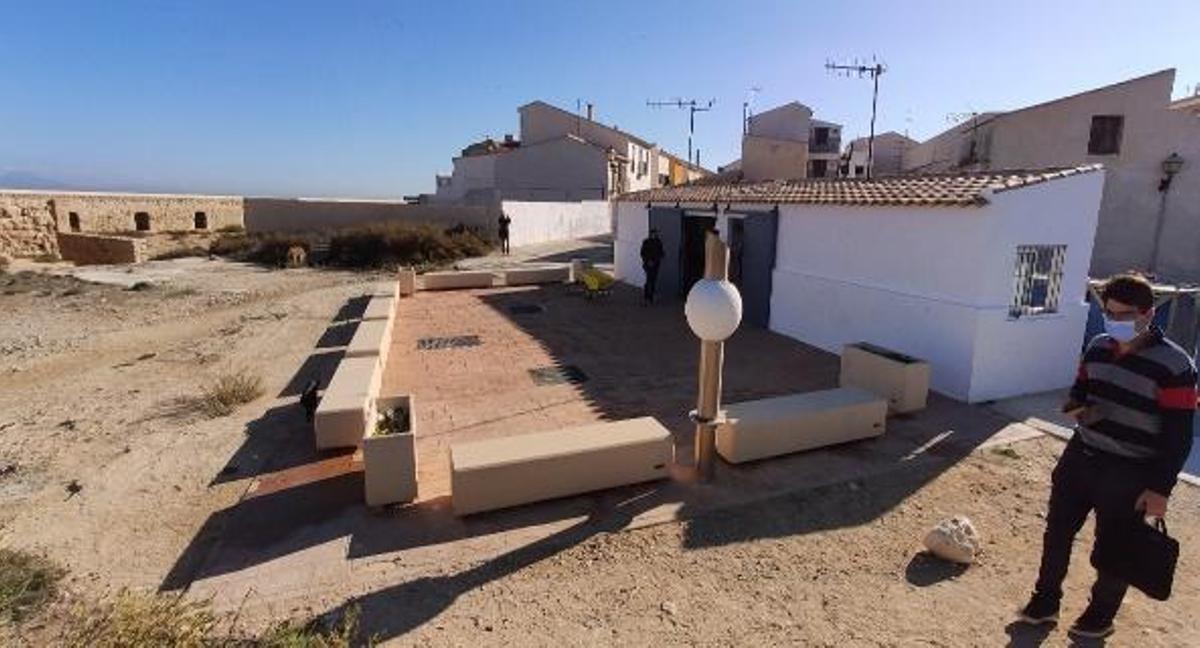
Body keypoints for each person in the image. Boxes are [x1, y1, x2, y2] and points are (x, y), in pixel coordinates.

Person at [1018, 273, 1196, 640]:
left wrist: (1160, 489)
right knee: (1057, 533)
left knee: (1115, 546)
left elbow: (1178, 435)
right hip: (1080, 457)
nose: (1113, 322)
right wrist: (1076, 409)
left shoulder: (1176, 366)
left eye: (1123, 315)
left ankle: (1100, 615)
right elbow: (1079, 393)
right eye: (1108, 313)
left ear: (1147, 315)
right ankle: (1045, 600)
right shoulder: (1098, 346)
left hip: (1130, 471)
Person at [640, 228, 665, 304]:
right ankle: (646, 296)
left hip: (656, 263)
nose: (655, 235)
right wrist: (648, 261)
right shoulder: (646, 242)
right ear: (650, 234)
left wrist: (661, 255)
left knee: (653, 280)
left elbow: (661, 251)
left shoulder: (658, 242)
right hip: (648, 264)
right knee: (649, 280)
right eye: (653, 233)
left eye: (656, 233)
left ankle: (651, 296)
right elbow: (642, 253)